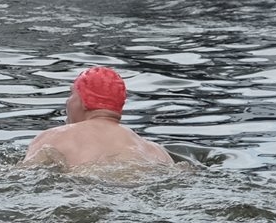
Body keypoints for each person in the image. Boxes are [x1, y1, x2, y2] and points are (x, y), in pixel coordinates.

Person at [22, 66, 173, 170]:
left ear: (84, 101)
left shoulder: (54, 137)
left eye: (71, 94)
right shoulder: (154, 150)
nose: (67, 101)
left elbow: (24, 177)